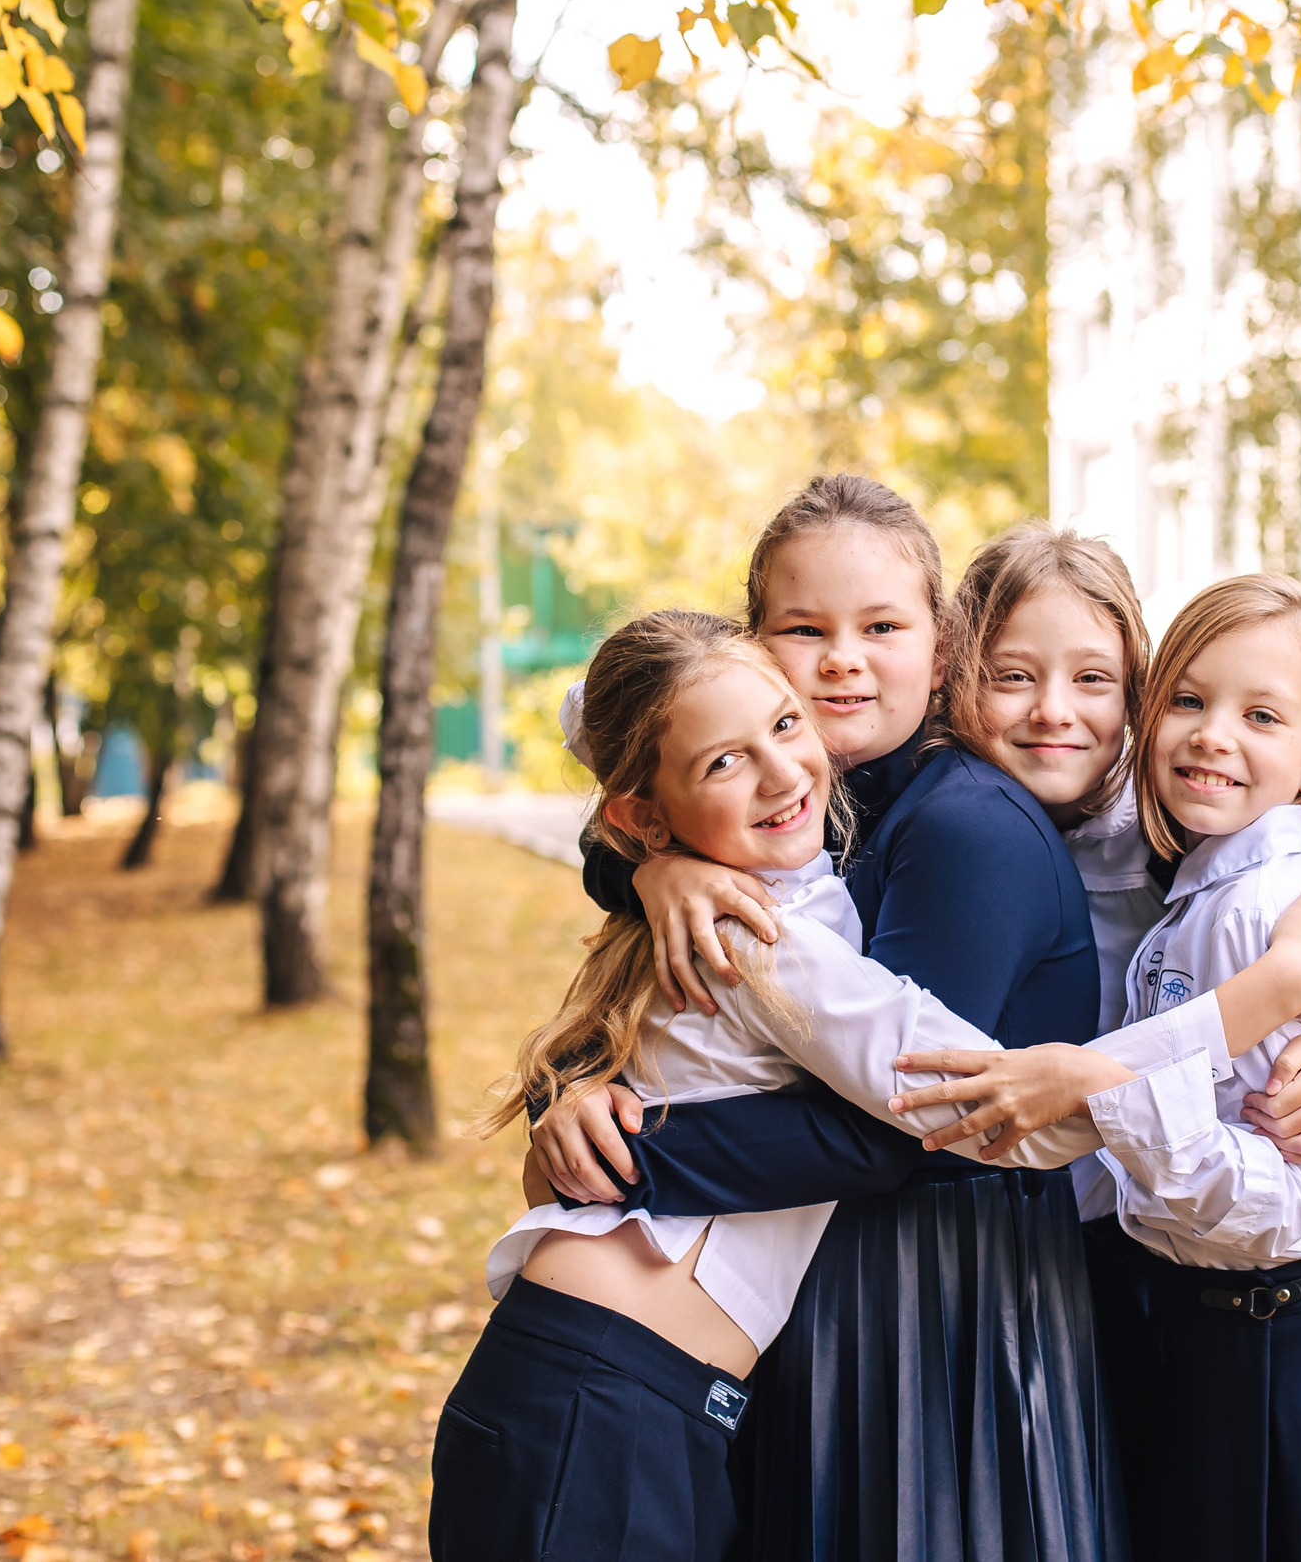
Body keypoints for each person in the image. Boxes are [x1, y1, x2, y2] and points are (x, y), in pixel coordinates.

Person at [536, 477, 1301, 1561]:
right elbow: (634, 753)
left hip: (1046, 1260)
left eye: (1094, 680)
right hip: (1052, 1246)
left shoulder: (1132, 837)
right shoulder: (832, 798)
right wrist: (646, 867)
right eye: (802, 632)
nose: (1054, 710)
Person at [431, 609, 1106, 1562]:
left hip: (628, 1389)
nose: (784, 771)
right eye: (725, 762)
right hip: (603, 1398)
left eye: (788, 726)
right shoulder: (755, 937)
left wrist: (651, 863)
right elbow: (969, 1100)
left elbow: (616, 743)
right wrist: (1164, 1058)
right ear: (641, 814)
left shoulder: (732, 897)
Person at [904, 573, 1301, 1562]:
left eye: (1092, 678)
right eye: (1191, 701)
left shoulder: (1252, 896)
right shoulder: (946, 810)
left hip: (1300, 1323)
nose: (1054, 710)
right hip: (1158, 1316)